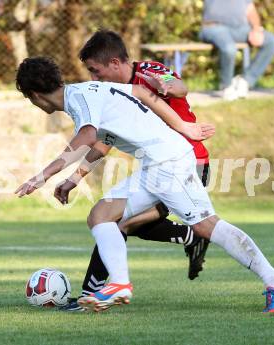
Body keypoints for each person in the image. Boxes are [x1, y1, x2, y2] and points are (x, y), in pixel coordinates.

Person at [14, 56, 274, 314]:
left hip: (169, 163)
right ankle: (120, 284)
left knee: (206, 226)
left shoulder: (80, 99)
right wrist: (74, 179)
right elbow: (138, 95)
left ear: (35, 96)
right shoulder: (89, 91)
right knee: (100, 215)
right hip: (154, 166)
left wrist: (42, 176)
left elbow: (87, 136)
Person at [57, 30, 214, 312]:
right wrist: (74, 178)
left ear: (116, 63)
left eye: (97, 71)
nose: (95, 79)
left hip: (189, 163)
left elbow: (180, 86)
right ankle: (192, 236)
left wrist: (163, 84)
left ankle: (90, 294)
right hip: (158, 169)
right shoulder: (113, 95)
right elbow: (104, 142)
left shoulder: (147, 72)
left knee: (116, 223)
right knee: (117, 222)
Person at [199, 0, 274, 100]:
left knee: (273, 42)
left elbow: (250, 10)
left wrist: (256, 29)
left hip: (240, 29)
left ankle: (245, 81)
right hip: (213, 27)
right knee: (229, 49)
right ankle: (227, 87)